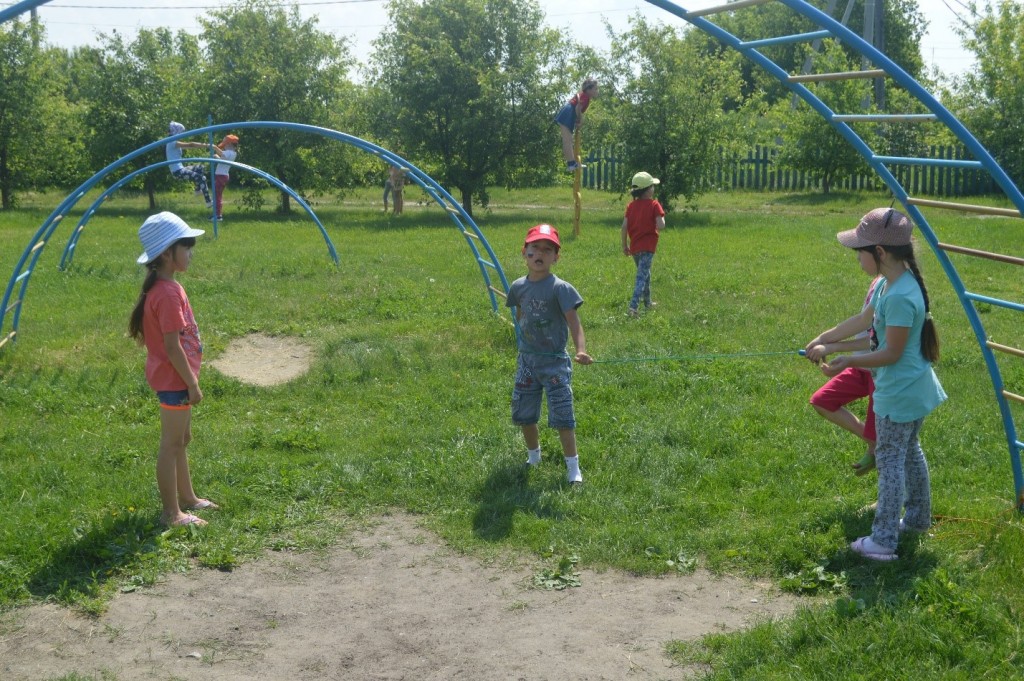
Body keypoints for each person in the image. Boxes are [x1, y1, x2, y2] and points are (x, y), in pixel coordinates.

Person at [815, 207, 946, 561]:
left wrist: (848, 360)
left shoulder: (901, 295)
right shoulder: (892, 284)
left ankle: (884, 541)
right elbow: (866, 323)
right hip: (912, 389)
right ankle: (917, 519)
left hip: (899, 393)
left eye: (860, 251)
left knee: (889, 460)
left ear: (880, 252)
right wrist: (825, 340)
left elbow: (890, 352)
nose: (857, 258)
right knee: (909, 451)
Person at [128, 212, 218, 527]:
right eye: (187, 246)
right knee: (171, 444)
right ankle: (171, 513)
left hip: (176, 378)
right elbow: (172, 346)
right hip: (175, 380)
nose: (191, 252)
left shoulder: (168, 287)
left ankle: (188, 498)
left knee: (182, 438)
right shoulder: (166, 293)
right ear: (167, 253)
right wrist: (192, 383)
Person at [506, 224, 593, 484]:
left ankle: (573, 468)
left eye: (548, 249)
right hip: (527, 361)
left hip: (554, 363)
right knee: (525, 413)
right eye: (535, 248)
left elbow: (574, 322)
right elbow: (520, 314)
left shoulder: (560, 288)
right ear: (524, 252)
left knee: (563, 415)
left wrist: (581, 350)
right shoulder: (517, 287)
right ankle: (533, 457)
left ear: (556, 257)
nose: (540, 254)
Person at [621, 171, 666, 317]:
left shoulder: (631, 206)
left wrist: (624, 245)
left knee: (646, 274)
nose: (653, 188)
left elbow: (624, 227)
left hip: (635, 248)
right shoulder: (654, 205)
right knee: (641, 277)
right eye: (652, 186)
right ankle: (633, 307)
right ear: (648, 190)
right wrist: (660, 217)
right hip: (648, 248)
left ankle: (648, 302)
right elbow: (661, 225)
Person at [165, 121, 218, 209]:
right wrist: (207, 145)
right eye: (181, 133)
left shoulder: (174, 142)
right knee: (201, 178)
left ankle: (197, 190)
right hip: (177, 171)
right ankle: (208, 201)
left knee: (200, 168)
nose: (181, 135)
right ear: (176, 132)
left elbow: (190, 146)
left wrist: (203, 146)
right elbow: (191, 144)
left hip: (181, 168)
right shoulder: (172, 142)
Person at [554, 78, 599, 173]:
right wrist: (581, 119)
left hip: (568, 112)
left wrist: (577, 119)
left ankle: (572, 163)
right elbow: (577, 108)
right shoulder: (585, 97)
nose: (597, 91)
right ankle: (571, 164)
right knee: (567, 141)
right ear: (589, 90)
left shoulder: (585, 96)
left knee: (568, 140)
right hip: (568, 113)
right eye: (595, 89)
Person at [212, 134, 239, 220]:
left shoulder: (229, 153)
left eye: (225, 145)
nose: (224, 147)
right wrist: (217, 157)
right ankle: (217, 213)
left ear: (229, 144)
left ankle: (218, 215)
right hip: (223, 176)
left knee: (217, 196)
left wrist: (214, 147)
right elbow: (223, 160)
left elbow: (222, 153)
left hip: (221, 176)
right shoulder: (233, 153)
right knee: (217, 195)